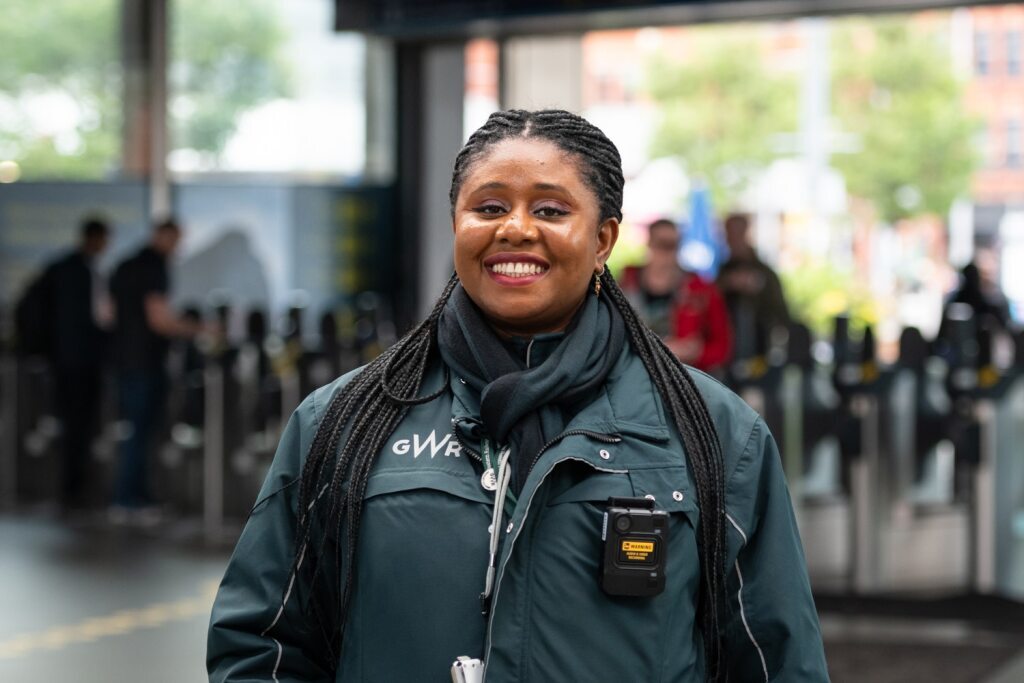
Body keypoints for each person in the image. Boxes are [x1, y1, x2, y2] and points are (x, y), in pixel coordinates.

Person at [207, 110, 828, 682]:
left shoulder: (716, 435)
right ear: (457, 225)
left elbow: (778, 663)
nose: (515, 228)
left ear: (604, 239)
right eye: (489, 207)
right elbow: (262, 646)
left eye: (552, 210)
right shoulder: (343, 422)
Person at [108, 218, 197, 519]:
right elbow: (159, 320)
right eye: (176, 240)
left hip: (123, 359)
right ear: (164, 236)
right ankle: (128, 499)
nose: (177, 247)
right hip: (145, 361)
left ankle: (133, 496)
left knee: (134, 431)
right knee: (141, 433)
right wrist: (199, 330)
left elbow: (107, 313)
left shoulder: (124, 265)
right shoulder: (154, 266)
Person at [46, 216, 113, 511]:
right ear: (94, 238)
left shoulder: (64, 268)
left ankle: (73, 487)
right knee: (77, 426)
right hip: (78, 362)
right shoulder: (79, 271)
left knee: (75, 426)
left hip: (68, 359)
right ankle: (73, 489)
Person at [620, 218, 733, 374]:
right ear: (650, 243)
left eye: (674, 245)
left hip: (684, 377)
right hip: (635, 373)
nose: (668, 252)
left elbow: (722, 344)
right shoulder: (625, 284)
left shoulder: (700, 289)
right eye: (662, 244)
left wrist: (697, 352)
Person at [715, 213, 790, 355]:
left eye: (737, 233)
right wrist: (727, 283)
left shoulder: (766, 273)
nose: (733, 239)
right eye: (730, 233)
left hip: (761, 349)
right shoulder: (722, 272)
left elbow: (781, 314)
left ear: (746, 232)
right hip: (728, 351)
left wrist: (759, 288)